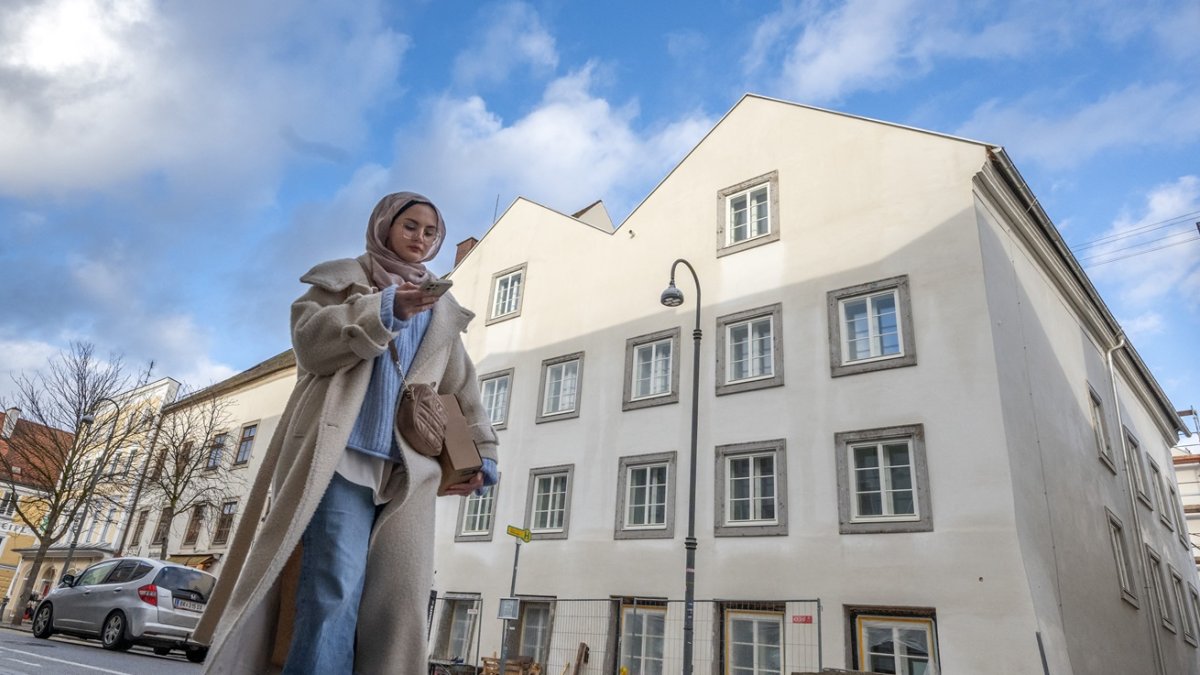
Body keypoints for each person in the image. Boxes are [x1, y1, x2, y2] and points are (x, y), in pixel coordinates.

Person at [193, 192, 499, 674]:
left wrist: (483, 456)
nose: (421, 238)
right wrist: (386, 310)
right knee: (332, 589)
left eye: (431, 232)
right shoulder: (340, 281)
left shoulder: (443, 308)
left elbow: (462, 390)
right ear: (383, 226)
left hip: (405, 474)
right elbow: (310, 346)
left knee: (396, 606)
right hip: (337, 460)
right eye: (411, 226)